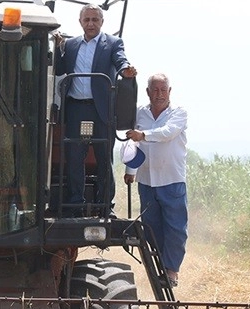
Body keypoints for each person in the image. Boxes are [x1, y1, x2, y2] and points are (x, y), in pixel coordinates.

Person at [54, 3, 137, 217]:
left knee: (103, 158)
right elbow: (60, 68)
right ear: (80, 22)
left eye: (95, 20)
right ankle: (75, 205)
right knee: (74, 157)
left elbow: (120, 60)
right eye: (87, 20)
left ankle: (104, 207)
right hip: (76, 109)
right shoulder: (70, 45)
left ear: (102, 22)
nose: (91, 23)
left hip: (101, 110)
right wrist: (56, 47)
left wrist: (126, 70)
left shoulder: (113, 43)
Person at [124, 73, 188, 287]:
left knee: (175, 228)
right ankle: (159, 266)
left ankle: (171, 272)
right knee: (151, 227)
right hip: (147, 179)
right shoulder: (139, 113)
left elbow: (167, 133)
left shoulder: (178, 114)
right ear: (148, 92)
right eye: (155, 90)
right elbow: (134, 145)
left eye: (163, 90)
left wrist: (143, 135)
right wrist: (130, 170)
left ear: (170, 92)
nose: (159, 94)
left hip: (172, 179)